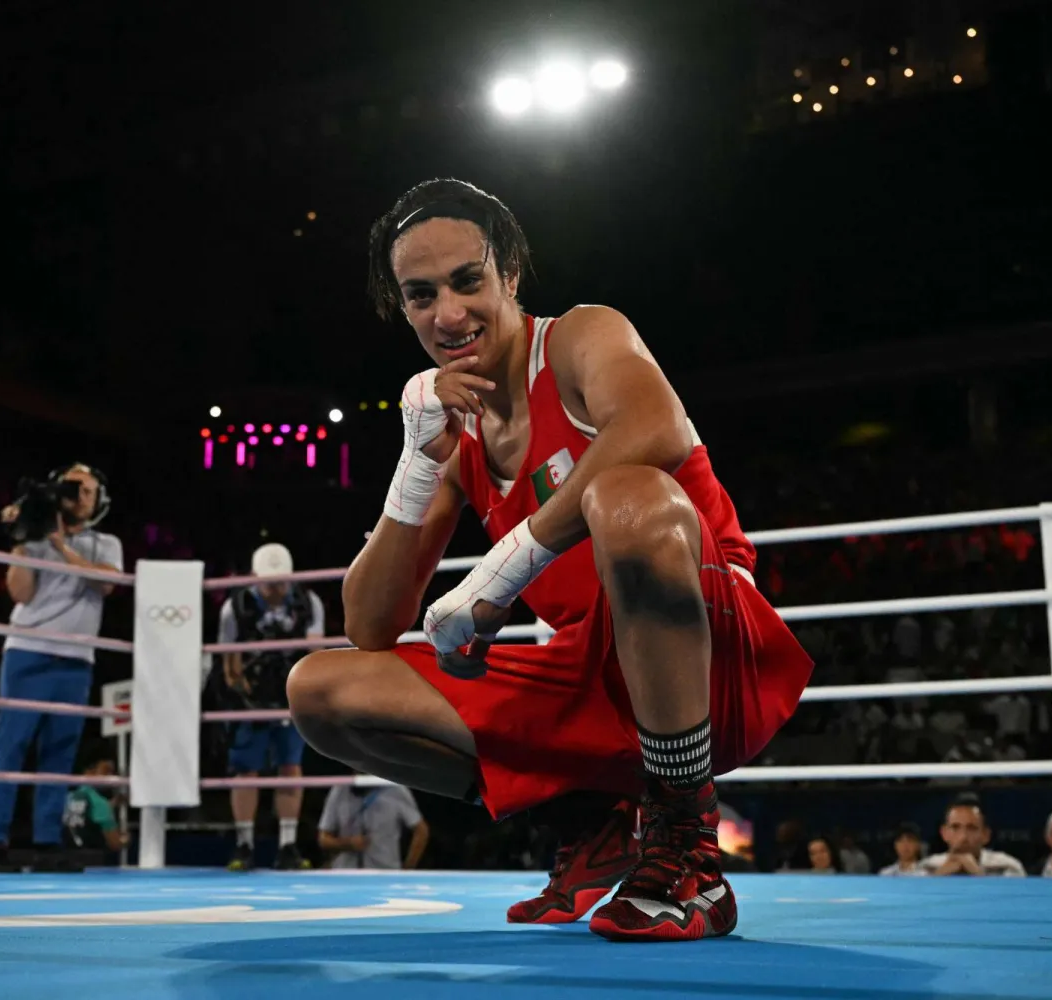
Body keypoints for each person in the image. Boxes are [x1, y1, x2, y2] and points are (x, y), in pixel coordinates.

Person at [287, 178, 815, 942]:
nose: (449, 314)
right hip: (591, 683)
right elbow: (370, 624)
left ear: (509, 273)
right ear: (399, 307)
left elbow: (656, 426)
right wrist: (415, 463)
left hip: (712, 654)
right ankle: (588, 817)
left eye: (468, 281)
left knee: (631, 497)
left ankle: (688, 849)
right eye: (421, 294)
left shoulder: (578, 338)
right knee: (320, 691)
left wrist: (500, 571)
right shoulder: (455, 431)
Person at [0, 463, 123, 871]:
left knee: (59, 753)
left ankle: (46, 841)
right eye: (74, 487)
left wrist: (62, 545)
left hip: (77, 659)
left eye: (89, 491)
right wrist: (25, 538)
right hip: (27, 650)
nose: (80, 496)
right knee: (12, 747)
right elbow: (20, 594)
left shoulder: (106, 543)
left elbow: (108, 584)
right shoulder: (33, 537)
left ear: (99, 502)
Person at [216, 542, 324, 871]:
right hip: (251, 696)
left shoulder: (308, 602)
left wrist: (302, 694)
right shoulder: (235, 605)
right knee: (245, 770)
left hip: (291, 692)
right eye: (269, 582)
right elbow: (228, 657)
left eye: (281, 582)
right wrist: (242, 689)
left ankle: (287, 845)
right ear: (254, 578)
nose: (276, 589)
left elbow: (314, 653)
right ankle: (244, 844)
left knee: (290, 768)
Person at [316, 783, 430, 870]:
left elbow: (421, 831)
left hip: (385, 875)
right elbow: (324, 839)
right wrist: (348, 843)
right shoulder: (340, 789)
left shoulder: (395, 790)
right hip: (346, 876)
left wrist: (407, 870)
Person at [923, 799, 1026, 877]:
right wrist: (938, 877)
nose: (963, 837)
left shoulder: (1007, 866)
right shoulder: (927, 867)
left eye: (971, 828)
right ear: (944, 833)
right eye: (955, 827)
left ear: (986, 835)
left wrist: (978, 874)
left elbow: (1012, 903)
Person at [63, 756, 126, 854]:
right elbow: (115, 844)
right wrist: (125, 840)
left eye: (112, 773)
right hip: (91, 861)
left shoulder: (66, 796)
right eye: (106, 772)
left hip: (63, 856)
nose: (111, 778)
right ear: (89, 772)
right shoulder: (100, 803)